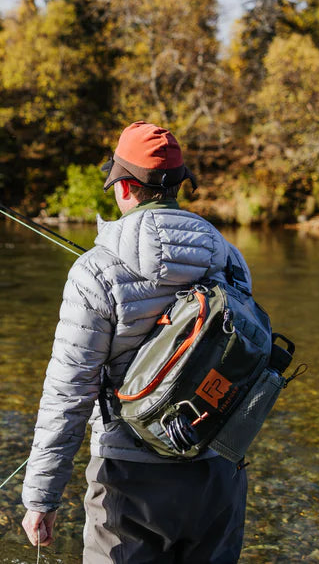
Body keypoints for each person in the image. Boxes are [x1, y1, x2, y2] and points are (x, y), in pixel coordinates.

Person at [21, 121, 251, 563]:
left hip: (127, 480)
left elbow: (68, 392)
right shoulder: (231, 260)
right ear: (179, 186)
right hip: (218, 472)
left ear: (123, 186)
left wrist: (41, 498)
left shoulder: (94, 271)